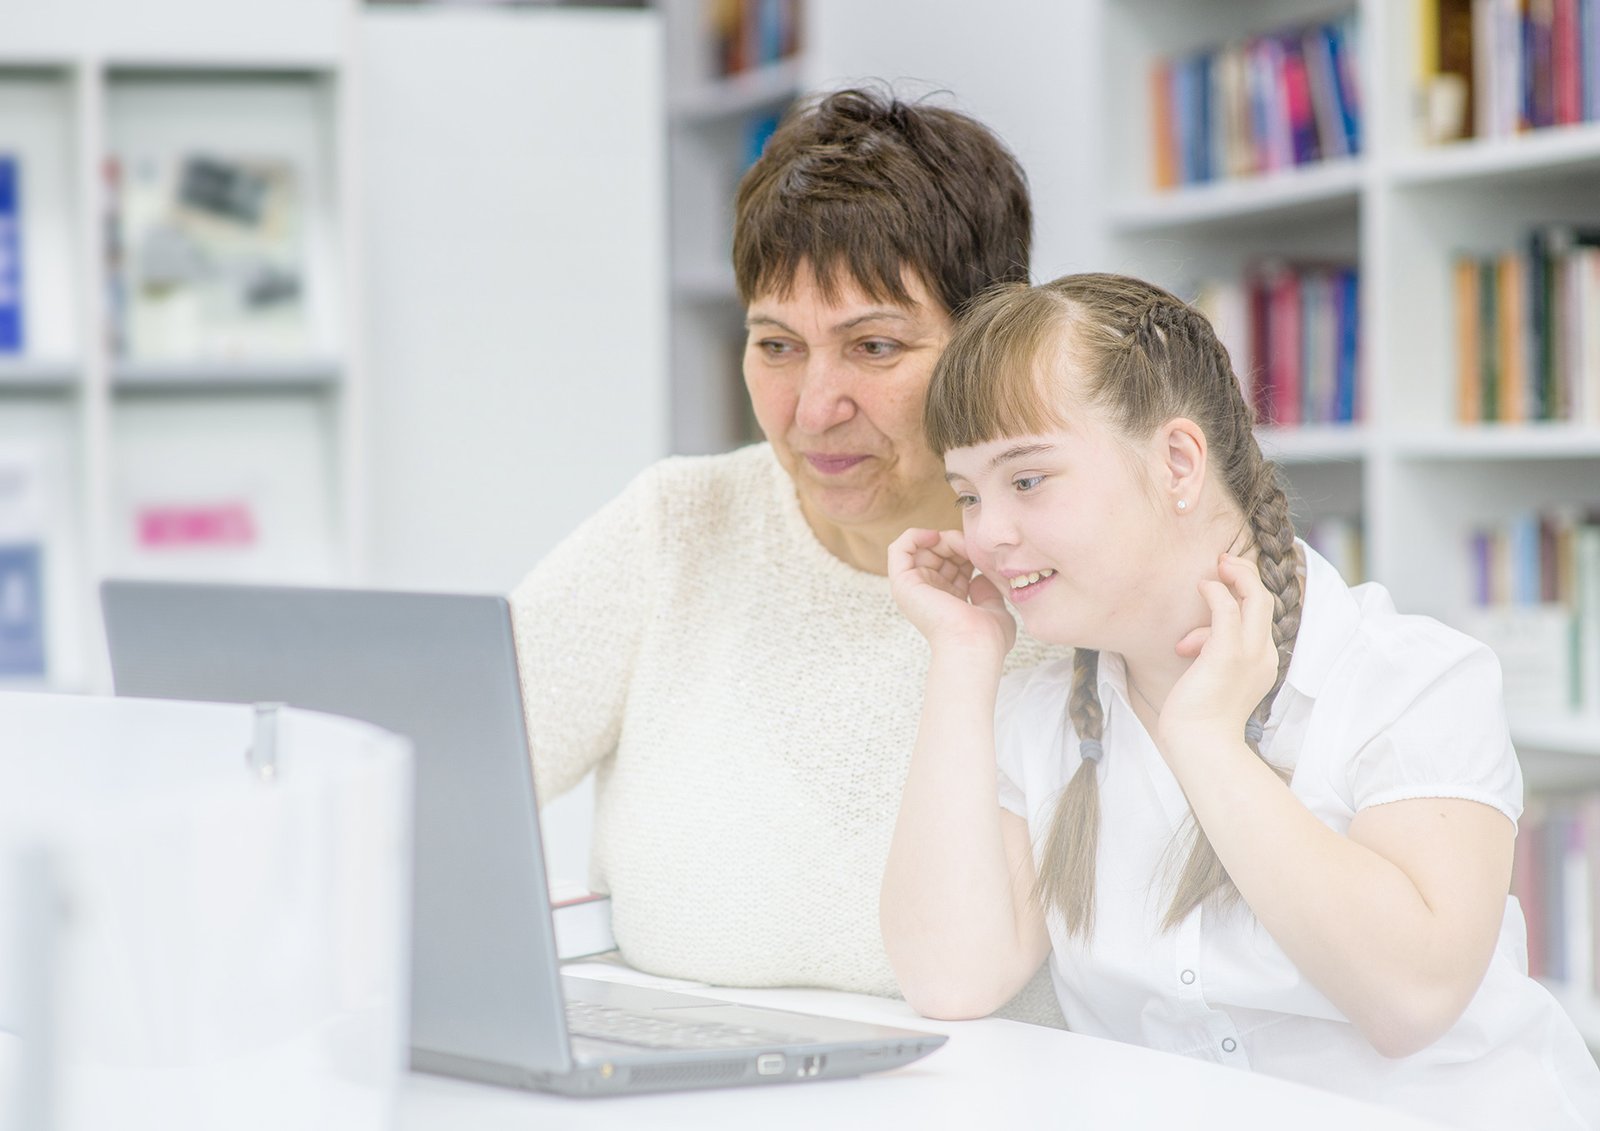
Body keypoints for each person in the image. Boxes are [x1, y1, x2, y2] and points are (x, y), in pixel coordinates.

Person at [881, 272, 1600, 1128]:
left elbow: (1412, 999)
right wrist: (963, 655)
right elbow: (951, 977)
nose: (987, 534)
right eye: (967, 494)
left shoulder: (1409, 679)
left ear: (1178, 462)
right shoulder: (1041, 711)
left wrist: (1207, 742)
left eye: (1027, 481)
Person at [509, 87, 1064, 1018]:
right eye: (776, 344)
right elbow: (423, 770)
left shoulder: (1066, 575)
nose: (813, 407)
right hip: (665, 1067)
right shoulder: (679, 523)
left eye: (874, 346)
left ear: (987, 347)